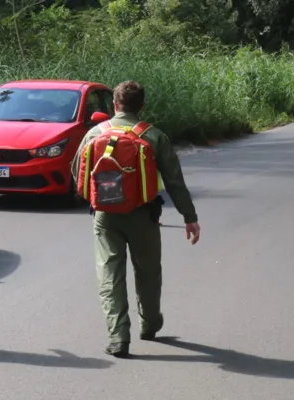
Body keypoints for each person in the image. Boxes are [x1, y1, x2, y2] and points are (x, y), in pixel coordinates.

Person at [71, 80, 201, 358]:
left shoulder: (95, 133)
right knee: (148, 272)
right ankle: (150, 323)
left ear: (115, 105)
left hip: (105, 216)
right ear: (141, 106)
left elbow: (77, 171)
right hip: (143, 215)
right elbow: (175, 181)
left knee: (109, 274)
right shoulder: (154, 136)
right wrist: (189, 217)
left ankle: (118, 338)